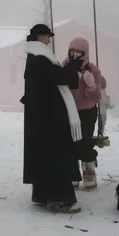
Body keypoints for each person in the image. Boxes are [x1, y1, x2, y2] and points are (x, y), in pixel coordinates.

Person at [23, 24, 83, 214]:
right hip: (50, 117)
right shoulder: (40, 57)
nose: (49, 40)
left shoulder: (36, 56)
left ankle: (43, 194)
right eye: (48, 36)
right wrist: (73, 65)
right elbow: (59, 77)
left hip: (43, 116)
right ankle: (60, 199)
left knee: (46, 155)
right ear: (40, 37)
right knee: (56, 156)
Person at [62, 37, 102, 191]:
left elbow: (96, 97)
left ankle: (89, 170)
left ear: (85, 53)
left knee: (84, 142)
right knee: (70, 142)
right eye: (73, 51)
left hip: (86, 111)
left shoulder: (92, 70)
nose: (75, 55)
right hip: (68, 110)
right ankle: (73, 172)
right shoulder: (64, 66)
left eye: (79, 52)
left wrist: (91, 85)